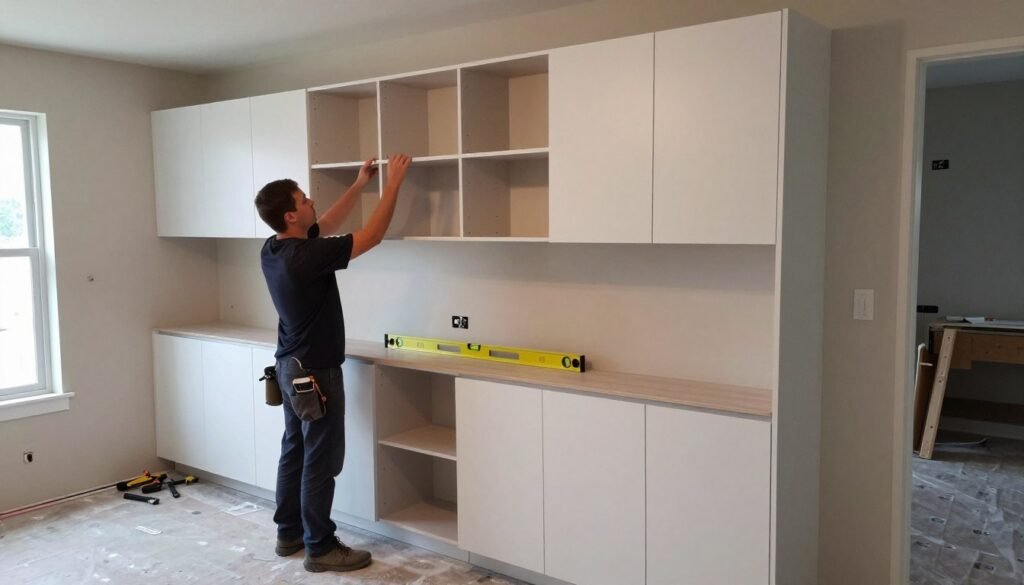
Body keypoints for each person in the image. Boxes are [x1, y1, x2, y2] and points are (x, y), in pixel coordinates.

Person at [254, 153, 411, 573]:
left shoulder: (275, 249)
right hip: (315, 373)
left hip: (290, 368)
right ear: (290, 215)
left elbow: (326, 225)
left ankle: (289, 534)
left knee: (295, 450)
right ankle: (320, 547)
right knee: (319, 461)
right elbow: (372, 236)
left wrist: (361, 184)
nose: (311, 203)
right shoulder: (306, 258)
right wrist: (393, 182)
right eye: (304, 200)